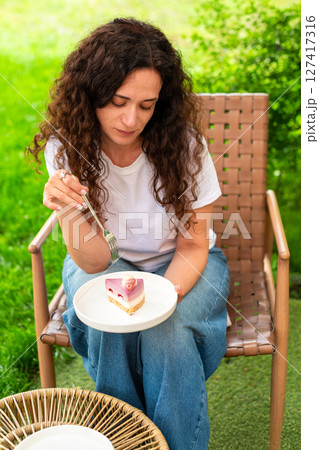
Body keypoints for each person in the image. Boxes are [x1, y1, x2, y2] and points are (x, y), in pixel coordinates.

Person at [27, 18, 230, 450]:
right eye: (118, 101)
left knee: (167, 330)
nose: (131, 118)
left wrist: (158, 298)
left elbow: (194, 244)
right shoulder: (66, 149)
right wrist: (69, 210)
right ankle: (124, 439)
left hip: (187, 261)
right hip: (110, 260)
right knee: (108, 324)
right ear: (91, 94)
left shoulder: (184, 145)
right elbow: (96, 262)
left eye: (146, 105)